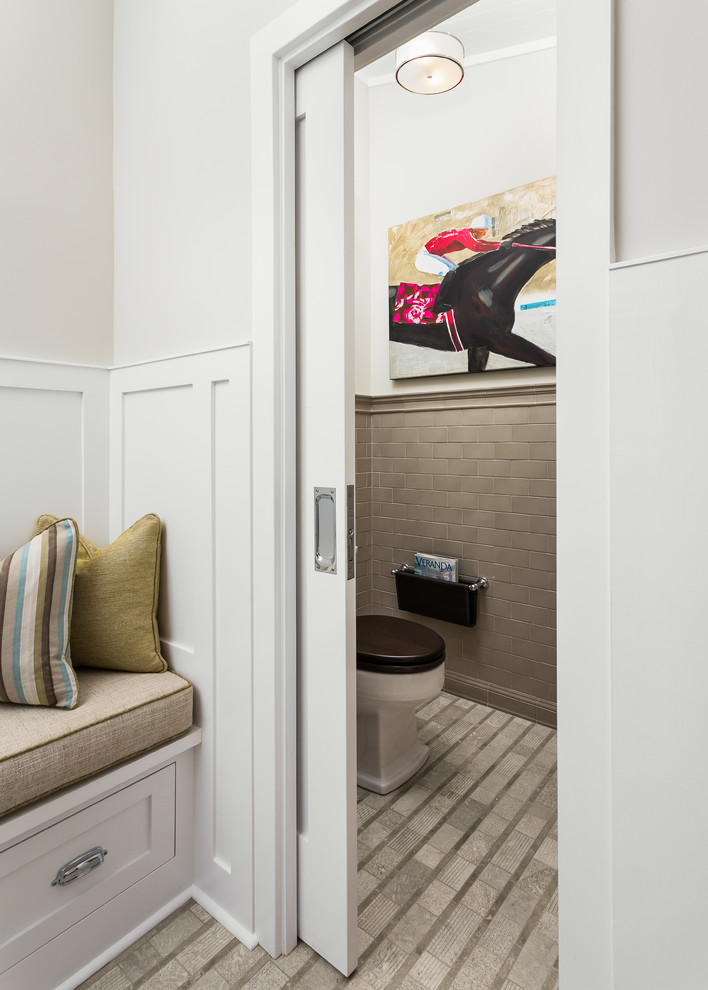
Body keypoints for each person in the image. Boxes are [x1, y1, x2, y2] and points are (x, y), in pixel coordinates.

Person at [414, 213, 500, 278]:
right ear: (478, 230)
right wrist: (498, 247)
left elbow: (482, 242)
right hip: (425, 258)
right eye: (484, 232)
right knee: (452, 273)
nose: (484, 234)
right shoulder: (464, 235)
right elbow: (477, 247)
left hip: (432, 255)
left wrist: (500, 244)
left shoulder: (467, 234)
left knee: (457, 272)